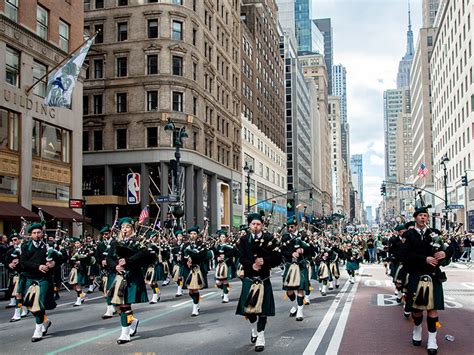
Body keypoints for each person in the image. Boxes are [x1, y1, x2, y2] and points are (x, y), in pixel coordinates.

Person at [400, 207, 453, 355]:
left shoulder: (434, 233)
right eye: (420, 215)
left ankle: (432, 340)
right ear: (415, 217)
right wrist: (424, 258)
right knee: (416, 310)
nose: (423, 218)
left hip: (433, 275)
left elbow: (451, 247)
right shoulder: (409, 235)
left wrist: (445, 253)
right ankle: (417, 329)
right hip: (416, 274)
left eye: (425, 215)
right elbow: (404, 255)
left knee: (432, 309)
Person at [236, 213, 281, 352]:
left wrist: (265, 261)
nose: (256, 227)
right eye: (253, 224)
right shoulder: (243, 240)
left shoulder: (269, 239)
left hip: (263, 279)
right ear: (249, 226)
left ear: (262, 225)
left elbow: (278, 258)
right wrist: (251, 266)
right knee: (250, 313)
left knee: (262, 311)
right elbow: (241, 258)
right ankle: (253, 328)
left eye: (258, 224)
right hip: (249, 278)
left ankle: (261, 335)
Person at [20, 223, 58, 342]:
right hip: (30, 278)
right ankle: (45, 322)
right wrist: (38, 267)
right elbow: (23, 263)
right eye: (34, 233)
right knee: (30, 305)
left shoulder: (48, 246)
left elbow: (62, 257)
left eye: (38, 232)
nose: (36, 235)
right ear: (30, 235)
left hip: (44, 279)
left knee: (39, 304)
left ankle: (38, 330)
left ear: (42, 233)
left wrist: (53, 263)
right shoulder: (25, 246)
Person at [281, 217, 311, 321]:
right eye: (288, 227)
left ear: (296, 226)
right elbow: (282, 251)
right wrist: (291, 253)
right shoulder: (285, 237)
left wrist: (304, 251)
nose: (290, 229)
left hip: (301, 265)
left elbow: (311, 250)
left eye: (292, 227)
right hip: (290, 265)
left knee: (300, 288)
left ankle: (300, 311)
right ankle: (295, 305)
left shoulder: (303, 236)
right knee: (289, 291)